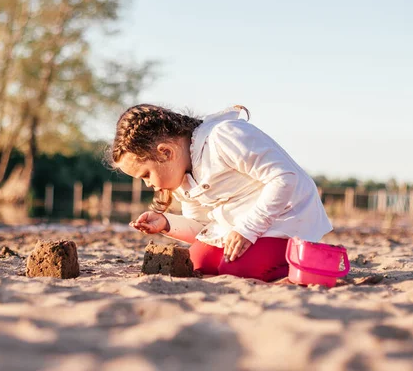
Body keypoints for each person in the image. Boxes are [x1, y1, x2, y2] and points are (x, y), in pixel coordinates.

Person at [107, 103, 332, 282]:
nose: (147, 185)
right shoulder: (183, 180)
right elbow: (202, 227)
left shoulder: (223, 137)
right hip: (243, 227)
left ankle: (307, 255)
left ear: (166, 153)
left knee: (238, 269)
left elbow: (283, 178)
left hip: (286, 216)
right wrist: (166, 223)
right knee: (199, 262)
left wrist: (247, 229)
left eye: (146, 175)